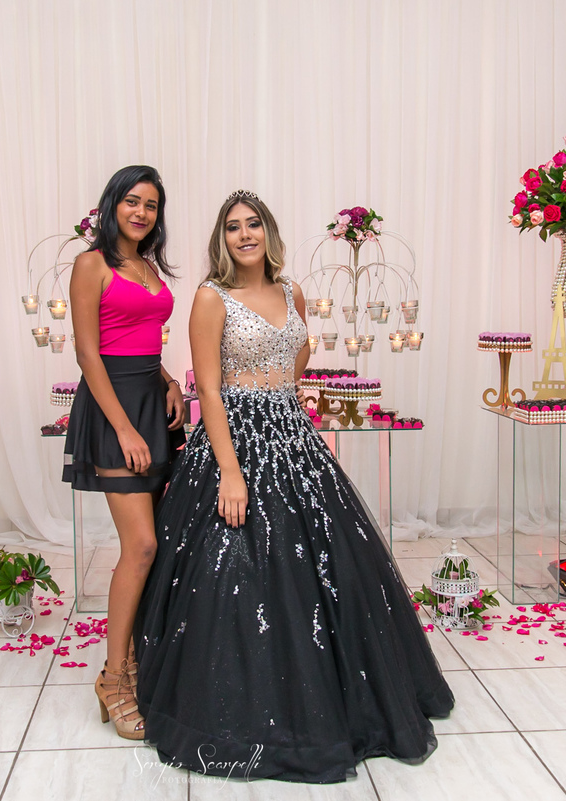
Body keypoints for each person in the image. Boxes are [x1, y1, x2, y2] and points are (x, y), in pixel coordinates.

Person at [133, 190, 454, 783]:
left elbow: (298, 355)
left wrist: (278, 395)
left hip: (292, 433)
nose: (244, 235)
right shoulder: (211, 297)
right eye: (233, 227)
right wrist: (231, 472)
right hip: (234, 440)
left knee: (326, 564)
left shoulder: (293, 293)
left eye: (253, 224)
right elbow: (209, 390)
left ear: (269, 233)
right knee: (233, 568)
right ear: (222, 239)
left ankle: (328, 694)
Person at [64, 165, 186, 740]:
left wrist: (168, 381)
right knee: (141, 546)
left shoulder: (150, 268)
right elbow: (90, 354)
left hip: (150, 401)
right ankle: (113, 678)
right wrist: (125, 430)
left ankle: (136, 661)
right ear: (113, 203)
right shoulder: (91, 265)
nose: (141, 212)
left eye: (151, 205)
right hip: (113, 409)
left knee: (155, 545)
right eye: (132, 201)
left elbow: (139, 341)